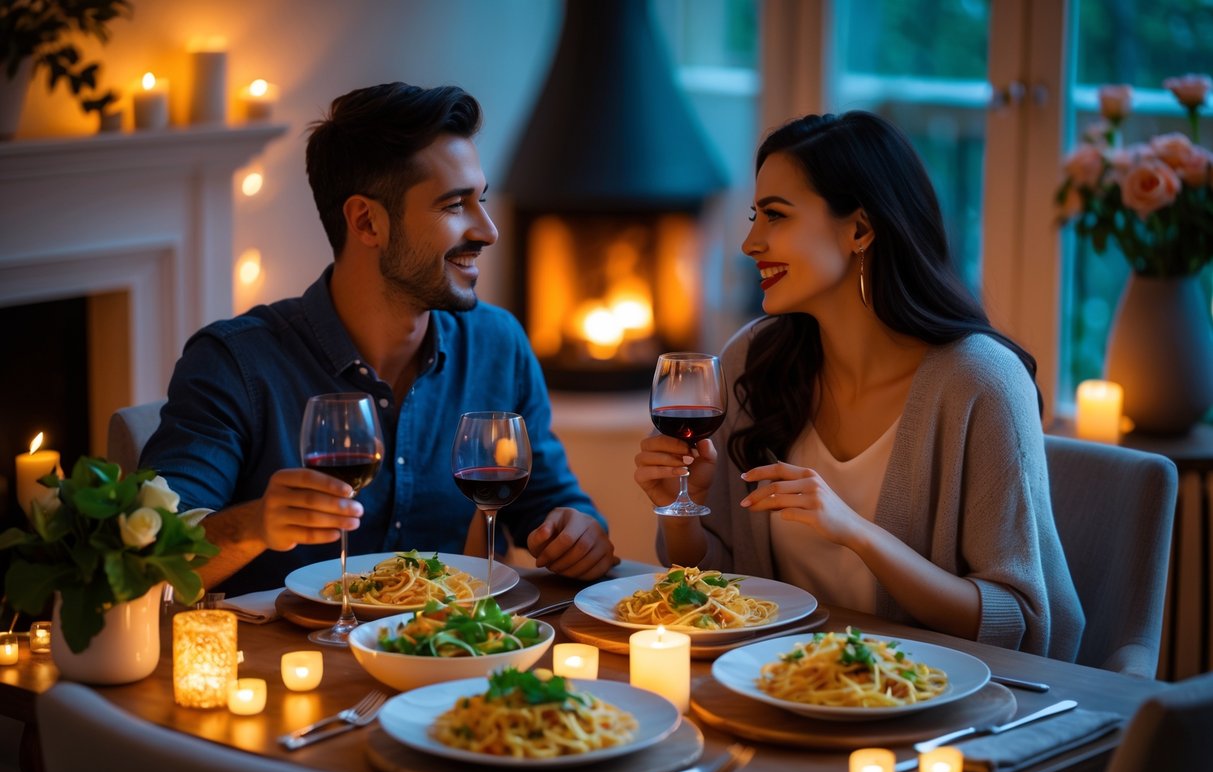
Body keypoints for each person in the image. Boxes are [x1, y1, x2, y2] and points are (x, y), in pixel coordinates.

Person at [633, 111, 1083, 660]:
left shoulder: (981, 384)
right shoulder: (753, 360)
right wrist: (683, 509)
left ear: (860, 230)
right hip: (772, 684)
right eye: (755, 215)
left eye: (775, 216)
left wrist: (856, 530)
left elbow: (1017, 619)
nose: (750, 242)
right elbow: (720, 588)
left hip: (919, 700)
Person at [141, 82, 617, 596]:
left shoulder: (497, 344)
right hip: (284, 669)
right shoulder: (234, 363)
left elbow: (548, 499)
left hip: (452, 660)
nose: (488, 230)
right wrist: (253, 524)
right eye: (455, 205)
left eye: (480, 199)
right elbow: (149, 560)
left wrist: (578, 533)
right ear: (367, 221)